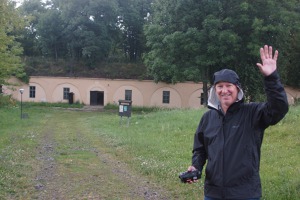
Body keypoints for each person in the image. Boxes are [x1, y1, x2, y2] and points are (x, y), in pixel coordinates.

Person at [187, 45, 289, 200]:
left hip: (245, 193)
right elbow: (200, 150)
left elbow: (279, 109)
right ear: (215, 90)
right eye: (220, 86)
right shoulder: (207, 119)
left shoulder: (253, 113)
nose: (224, 90)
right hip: (213, 194)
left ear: (238, 89)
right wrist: (195, 167)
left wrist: (271, 77)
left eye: (229, 85)